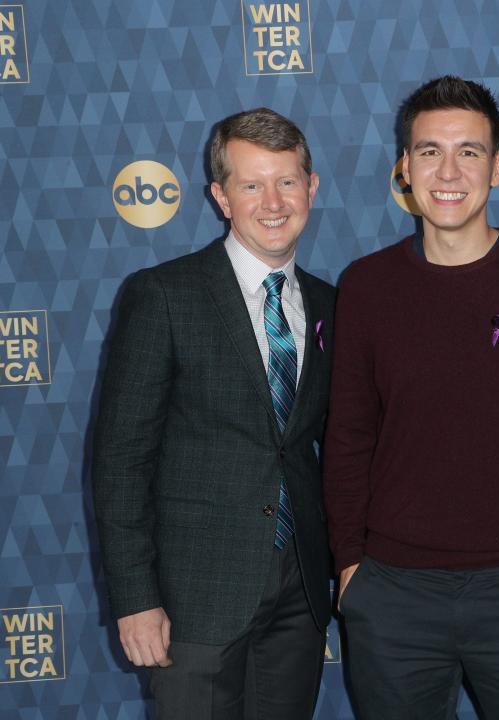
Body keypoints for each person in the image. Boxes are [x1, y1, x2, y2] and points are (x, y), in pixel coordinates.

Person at [323, 75, 499, 719]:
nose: (448, 170)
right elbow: (347, 438)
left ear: (498, 167)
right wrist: (350, 566)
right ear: (404, 168)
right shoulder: (366, 288)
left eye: (470, 151)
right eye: (429, 151)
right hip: (392, 593)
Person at [92, 107, 335, 719]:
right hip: (194, 598)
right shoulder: (165, 296)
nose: (273, 201)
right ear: (221, 196)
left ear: (311, 187)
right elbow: (121, 460)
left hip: (300, 591)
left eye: (287, 181)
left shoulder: (334, 304)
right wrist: (136, 599)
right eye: (251, 185)